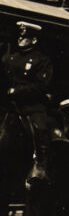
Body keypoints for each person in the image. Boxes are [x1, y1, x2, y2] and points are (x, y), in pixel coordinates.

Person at [2, 21, 54, 163]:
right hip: (10, 103)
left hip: (31, 105)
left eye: (24, 37)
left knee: (40, 129)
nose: (20, 39)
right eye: (19, 36)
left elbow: (41, 85)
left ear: (34, 40)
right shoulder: (10, 58)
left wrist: (17, 90)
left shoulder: (42, 60)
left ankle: (40, 165)